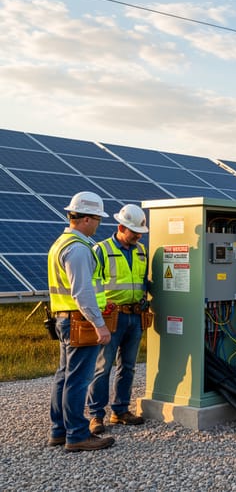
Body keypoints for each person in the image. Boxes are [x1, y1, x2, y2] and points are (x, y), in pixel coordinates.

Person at [47, 191, 115, 452]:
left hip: (65, 318)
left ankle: (59, 431)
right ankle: (77, 435)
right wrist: (99, 324)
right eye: (97, 219)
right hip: (80, 321)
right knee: (77, 379)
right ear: (86, 218)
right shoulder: (78, 249)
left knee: (64, 376)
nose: (98, 224)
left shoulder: (60, 244)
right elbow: (82, 292)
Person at [87, 204, 149, 435]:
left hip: (135, 316)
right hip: (111, 317)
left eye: (140, 232)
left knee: (129, 366)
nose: (138, 236)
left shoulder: (141, 251)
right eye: (134, 232)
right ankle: (96, 416)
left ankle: (121, 410)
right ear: (121, 227)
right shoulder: (101, 251)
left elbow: (144, 281)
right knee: (102, 368)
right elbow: (93, 284)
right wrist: (99, 316)